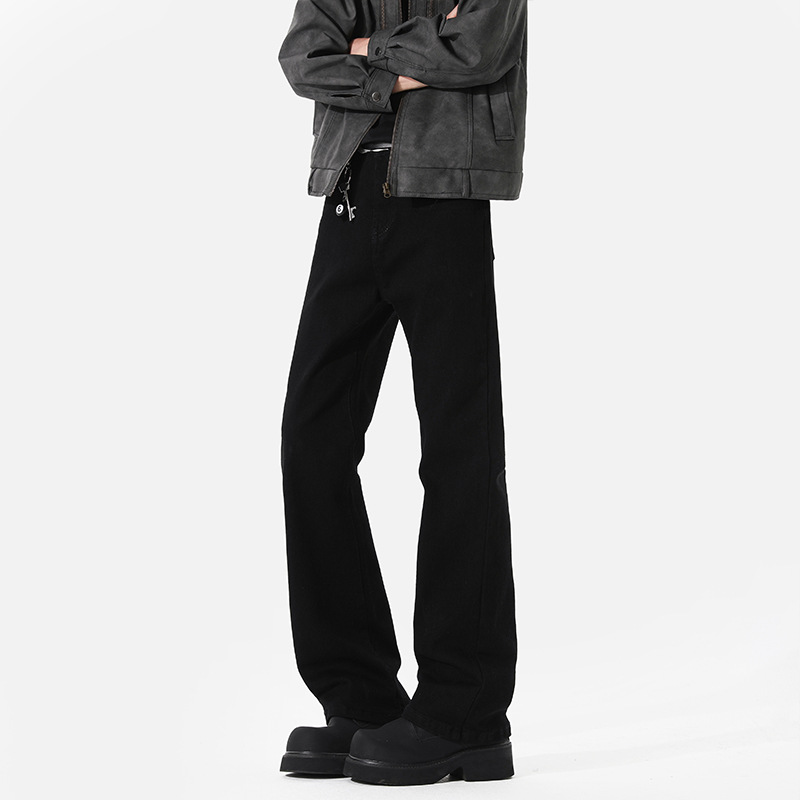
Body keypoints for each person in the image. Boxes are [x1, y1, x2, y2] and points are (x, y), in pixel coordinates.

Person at [276, 0, 527, 785]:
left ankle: (465, 714)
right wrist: (415, 59)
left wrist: (363, 51)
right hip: (352, 188)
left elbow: (479, 49)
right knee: (311, 441)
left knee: (459, 452)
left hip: (445, 196)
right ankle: (360, 699)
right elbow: (302, 55)